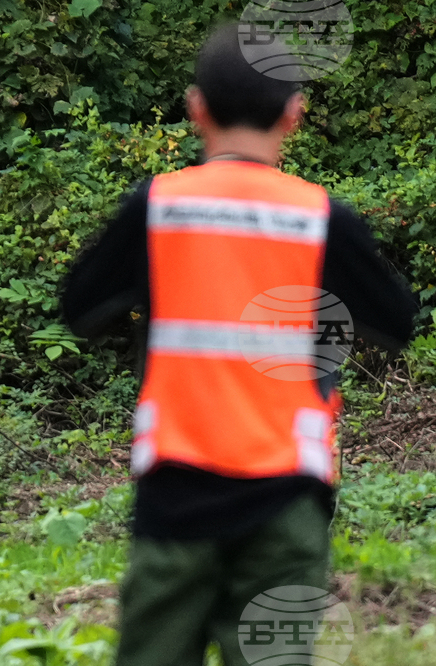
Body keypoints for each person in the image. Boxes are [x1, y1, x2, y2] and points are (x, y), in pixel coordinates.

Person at [61, 23, 417, 666]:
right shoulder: (319, 218)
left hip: (177, 492)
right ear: (294, 114)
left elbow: (79, 308)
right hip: (285, 500)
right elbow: (396, 322)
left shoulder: (159, 207)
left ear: (196, 109)